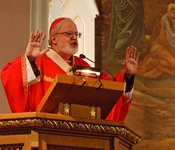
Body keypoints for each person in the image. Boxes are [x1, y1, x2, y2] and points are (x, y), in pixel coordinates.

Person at [1, 17, 140, 121]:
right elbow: (11, 78)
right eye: (69, 34)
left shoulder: (83, 65)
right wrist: (29, 59)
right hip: (45, 133)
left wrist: (128, 75)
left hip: (83, 135)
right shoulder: (38, 63)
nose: (74, 37)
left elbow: (111, 89)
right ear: (54, 39)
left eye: (77, 34)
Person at [136, 3, 175, 78]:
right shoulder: (164, 19)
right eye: (173, 12)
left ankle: (154, 62)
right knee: (174, 64)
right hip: (159, 47)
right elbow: (173, 36)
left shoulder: (173, 22)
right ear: (169, 11)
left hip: (167, 48)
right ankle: (152, 61)